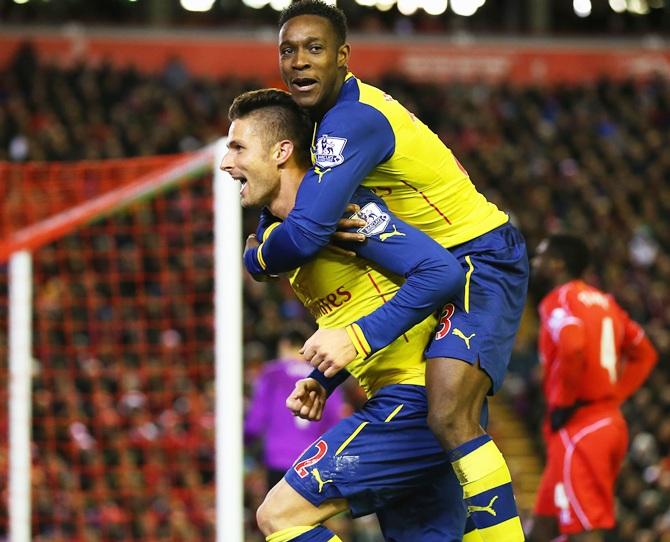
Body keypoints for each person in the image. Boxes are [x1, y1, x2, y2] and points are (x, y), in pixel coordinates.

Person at [242, 1, 528, 539]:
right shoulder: (325, 123)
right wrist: (327, 377)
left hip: (480, 257)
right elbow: (303, 220)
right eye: (287, 50)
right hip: (442, 267)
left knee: (447, 413)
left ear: (344, 57)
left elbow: (303, 233)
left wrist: (255, 256)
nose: (298, 61)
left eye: (314, 48)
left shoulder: (351, 121)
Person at [222, 88, 485, 542]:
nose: (226, 162)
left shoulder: (348, 212)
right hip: (408, 400)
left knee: (279, 516)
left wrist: (355, 340)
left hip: (419, 399)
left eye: (238, 147)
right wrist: (324, 380)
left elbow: (441, 273)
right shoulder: (292, 233)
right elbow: (359, 302)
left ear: (282, 151)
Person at [528, 234, 658, 542]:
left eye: (542, 256)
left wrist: (566, 401)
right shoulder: (607, 303)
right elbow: (645, 353)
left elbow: (572, 345)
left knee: (584, 529)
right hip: (603, 422)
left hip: (581, 426)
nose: (536, 262)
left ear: (558, 264)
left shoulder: (559, 299)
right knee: (544, 525)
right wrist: (615, 395)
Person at [244, 325, 345, 491]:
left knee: (276, 515)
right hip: (312, 462)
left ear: (284, 345)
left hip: (278, 459)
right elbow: (335, 424)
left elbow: (255, 423)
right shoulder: (326, 378)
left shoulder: (271, 374)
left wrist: (241, 444)